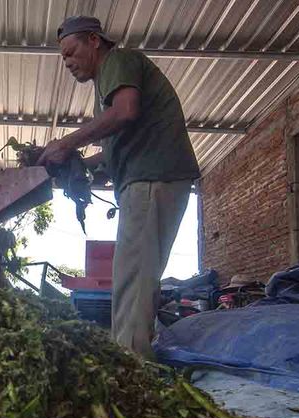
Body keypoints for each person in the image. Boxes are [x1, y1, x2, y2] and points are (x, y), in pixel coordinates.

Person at [37, 16, 200, 358]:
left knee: (134, 274)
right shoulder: (108, 85)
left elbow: (125, 112)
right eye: (63, 58)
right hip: (149, 177)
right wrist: (77, 168)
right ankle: (132, 350)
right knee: (134, 273)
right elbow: (111, 157)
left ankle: (130, 363)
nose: (68, 63)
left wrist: (66, 144)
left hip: (152, 177)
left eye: (71, 52)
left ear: (94, 41)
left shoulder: (120, 61)